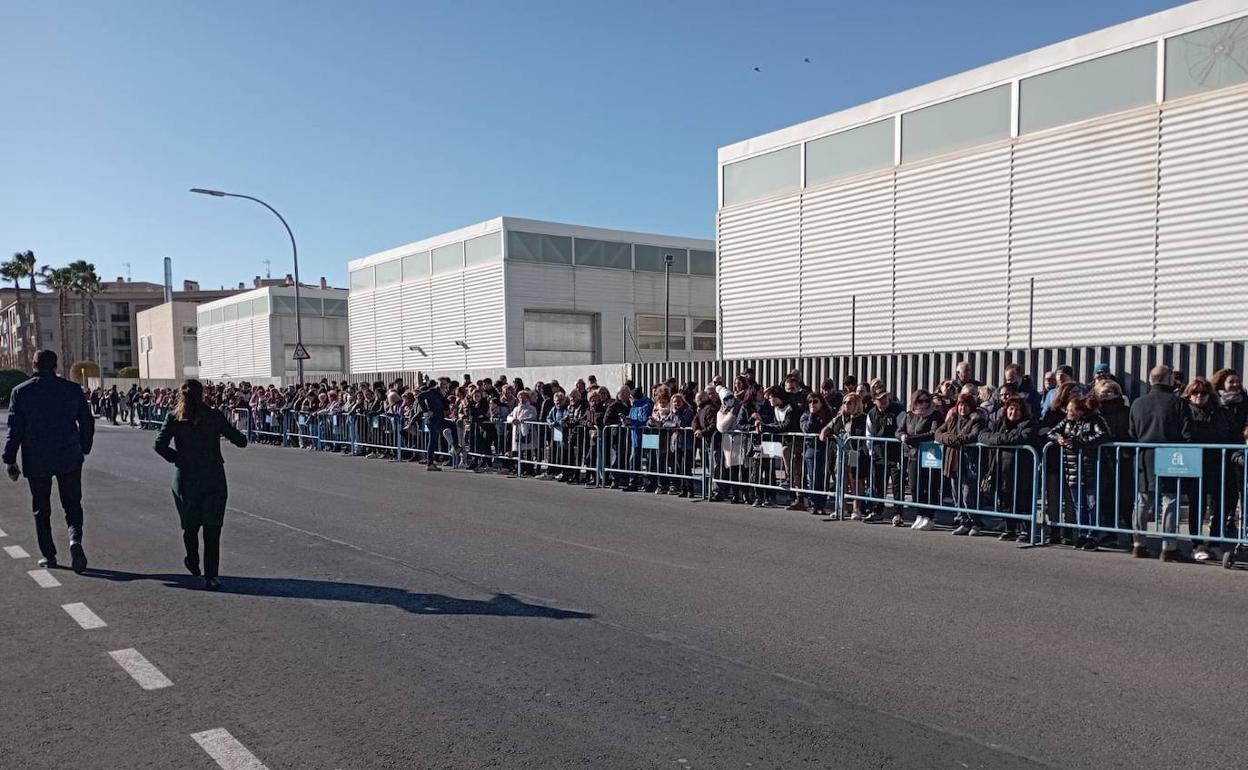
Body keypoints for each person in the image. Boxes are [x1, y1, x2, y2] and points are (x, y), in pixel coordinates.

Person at [2, 350, 95, 573]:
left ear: (33, 365)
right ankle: (75, 541)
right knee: (72, 504)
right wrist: (83, 447)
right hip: (69, 455)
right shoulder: (72, 389)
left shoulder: (21, 392)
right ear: (55, 366)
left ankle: (49, 555)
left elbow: (15, 428)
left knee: (41, 509)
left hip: (37, 458)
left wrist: (10, 459)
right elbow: (87, 421)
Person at [153, 379, 248, 590]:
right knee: (213, 529)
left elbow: (159, 445)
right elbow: (240, 440)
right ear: (203, 395)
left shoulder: (175, 418)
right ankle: (211, 576)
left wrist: (178, 459)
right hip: (213, 477)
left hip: (186, 478)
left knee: (190, 525)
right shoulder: (213, 416)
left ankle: (193, 559)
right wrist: (236, 436)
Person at [1129, 365, 1192, 561]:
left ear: (1150, 380)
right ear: (1169, 379)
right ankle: (1169, 547)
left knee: (1142, 500)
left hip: (1144, 456)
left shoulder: (1138, 403)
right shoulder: (1178, 403)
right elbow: (1188, 434)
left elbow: (1131, 433)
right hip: (1171, 456)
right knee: (1169, 501)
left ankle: (1138, 544)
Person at [1047, 395, 1111, 549]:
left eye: (1071, 410)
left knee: (1092, 505)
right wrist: (1059, 439)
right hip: (1073, 470)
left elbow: (1103, 435)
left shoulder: (1095, 419)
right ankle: (1082, 534)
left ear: (1080, 411)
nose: (1068, 412)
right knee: (1079, 505)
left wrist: (1080, 443)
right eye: (1067, 410)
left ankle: (1093, 535)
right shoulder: (1067, 422)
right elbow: (1052, 432)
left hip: (1092, 469)